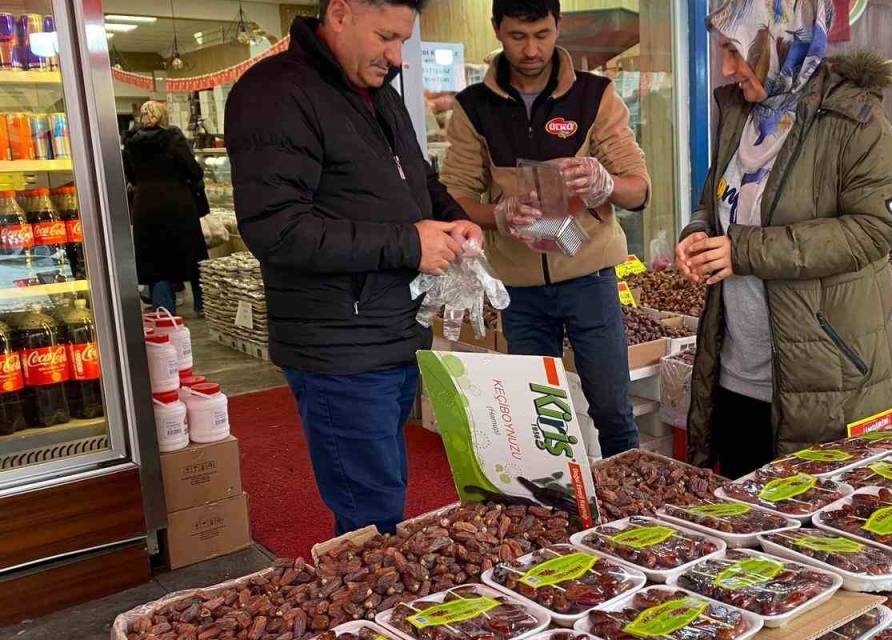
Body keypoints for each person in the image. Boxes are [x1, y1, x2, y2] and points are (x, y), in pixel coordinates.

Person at [225, 0, 484, 535]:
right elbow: (276, 228)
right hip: (337, 343)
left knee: (385, 490)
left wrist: (455, 221)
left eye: (403, 41)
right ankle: (369, 615)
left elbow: (419, 182)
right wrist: (407, 245)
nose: (396, 56)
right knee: (370, 511)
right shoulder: (275, 93)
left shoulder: (379, 96)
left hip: (394, 328)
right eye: (386, 37)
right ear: (340, 14)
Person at [675, 0, 892, 477]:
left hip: (826, 375)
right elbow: (718, 200)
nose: (725, 67)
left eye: (735, 50)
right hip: (738, 371)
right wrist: (698, 232)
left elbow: (874, 228)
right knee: (741, 524)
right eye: (723, 50)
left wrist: (744, 251)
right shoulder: (740, 114)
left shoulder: (854, 120)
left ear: (782, 39)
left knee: (817, 531)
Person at [441, 0, 649, 458]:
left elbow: (638, 190)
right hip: (520, 289)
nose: (531, 49)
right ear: (497, 30)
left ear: (558, 27)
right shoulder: (473, 108)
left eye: (542, 34)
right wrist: (498, 214)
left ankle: (627, 509)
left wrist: (605, 181)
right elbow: (453, 195)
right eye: (518, 36)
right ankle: (556, 506)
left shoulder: (595, 95)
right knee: (537, 412)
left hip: (590, 278)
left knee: (613, 409)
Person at [122, 100, 208, 315]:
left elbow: (130, 175)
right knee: (193, 255)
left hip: (146, 207)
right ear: (162, 116)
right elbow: (193, 170)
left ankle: (165, 311)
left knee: (155, 261)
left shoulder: (131, 142)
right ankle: (204, 305)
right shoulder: (173, 137)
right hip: (177, 203)